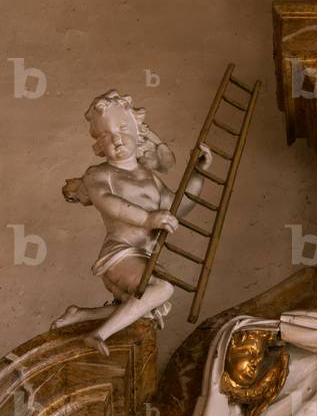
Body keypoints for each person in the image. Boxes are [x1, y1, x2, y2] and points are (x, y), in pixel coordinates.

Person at [52, 91, 211, 354]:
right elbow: (109, 204)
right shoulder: (98, 175)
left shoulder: (150, 178)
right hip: (119, 257)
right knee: (161, 289)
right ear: (99, 146)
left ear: (140, 134)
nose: (115, 138)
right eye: (105, 135)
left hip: (142, 257)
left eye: (123, 128)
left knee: (149, 309)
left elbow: (176, 207)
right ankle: (98, 334)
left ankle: (81, 314)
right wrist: (148, 218)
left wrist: (197, 175)